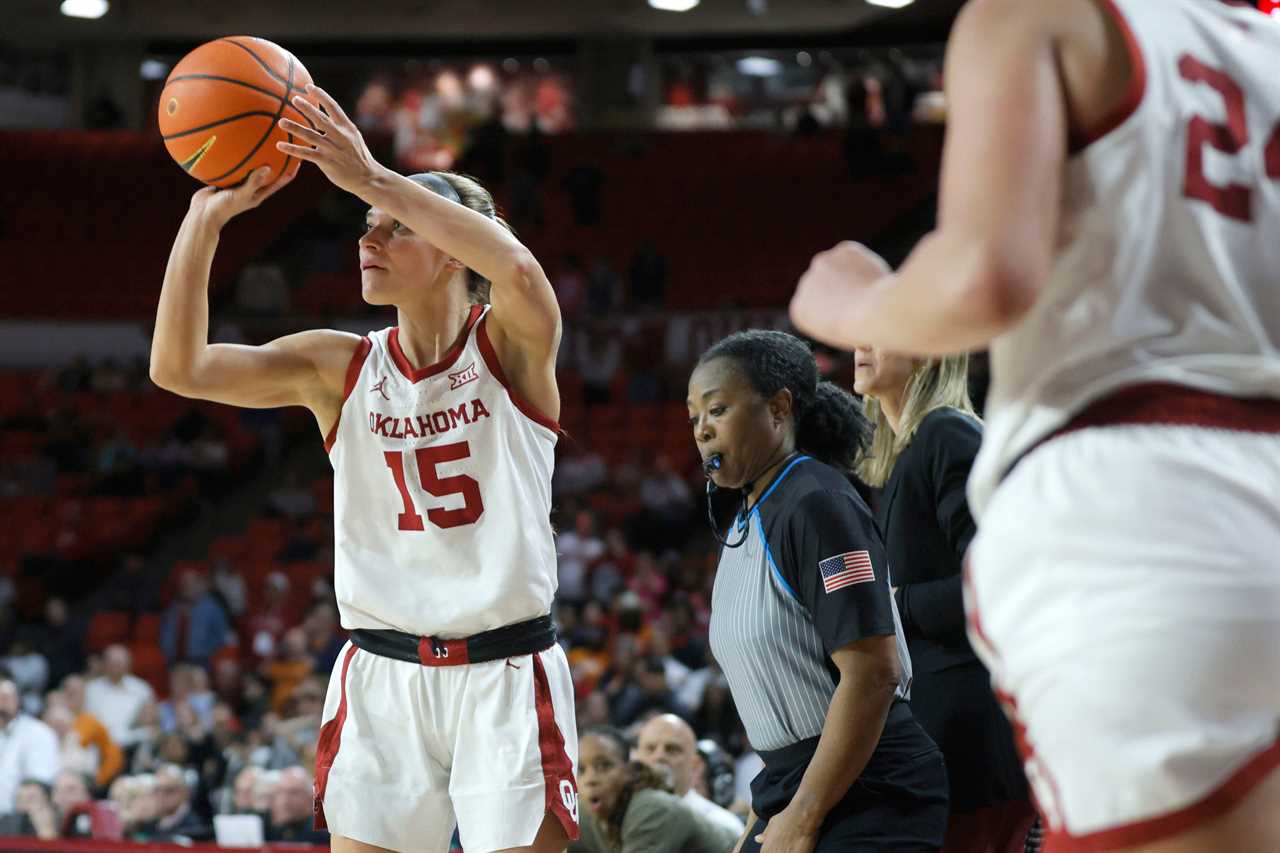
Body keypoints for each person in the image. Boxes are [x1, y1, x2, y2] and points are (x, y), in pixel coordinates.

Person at [789, 1, 1280, 850]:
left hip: (1132, 502)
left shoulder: (1039, 13)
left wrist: (850, 299)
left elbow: (987, 277)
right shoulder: (1265, 49)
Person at [151, 80, 577, 853]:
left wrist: (372, 176)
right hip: (382, 669)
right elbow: (179, 368)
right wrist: (201, 224)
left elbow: (514, 270)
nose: (367, 239)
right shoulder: (337, 365)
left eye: (394, 229)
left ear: (451, 250)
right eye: (365, 226)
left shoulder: (510, 345)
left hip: (504, 668)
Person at [686, 330, 948, 852]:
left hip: (871, 791)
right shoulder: (750, 514)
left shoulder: (816, 503)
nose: (702, 431)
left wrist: (803, 816)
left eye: (717, 410)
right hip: (798, 785)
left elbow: (874, 672)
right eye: (694, 418)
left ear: (779, 408)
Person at [854, 349, 1033, 852]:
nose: (860, 345)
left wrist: (895, 605)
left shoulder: (947, 435)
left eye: (880, 332)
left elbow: (999, 581)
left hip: (971, 731)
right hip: (938, 728)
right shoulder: (900, 454)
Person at [573, 726, 738, 853]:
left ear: (628, 770)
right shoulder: (588, 811)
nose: (590, 779)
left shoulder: (652, 808)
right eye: (581, 770)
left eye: (604, 766)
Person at [633, 714, 745, 836]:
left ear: (695, 765)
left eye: (672, 749)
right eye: (650, 748)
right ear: (635, 758)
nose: (659, 756)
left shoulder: (724, 827)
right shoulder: (618, 818)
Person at [0, 676, 59, 815]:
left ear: (18, 701)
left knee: (31, 793)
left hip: (21, 816)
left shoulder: (38, 732)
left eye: (5, 697)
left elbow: (39, 779)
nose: (1, 704)